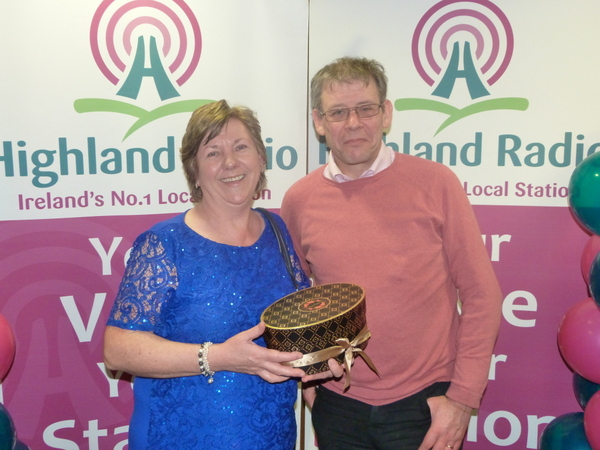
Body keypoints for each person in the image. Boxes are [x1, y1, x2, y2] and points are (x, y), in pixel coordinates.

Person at [280, 57, 503, 450]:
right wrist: (310, 383)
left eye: (365, 109)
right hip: (338, 404)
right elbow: (294, 302)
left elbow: (482, 296)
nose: (353, 123)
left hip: (425, 404)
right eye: (338, 112)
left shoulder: (436, 184)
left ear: (386, 113)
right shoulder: (299, 200)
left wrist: (462, 399)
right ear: (319, 122)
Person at [103, 100, 313, 449]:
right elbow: (117, 350)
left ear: (261, 159)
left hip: (273, 437)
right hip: (180, 439)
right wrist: (219, 357)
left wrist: (321, 359)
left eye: (241, 147)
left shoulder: (276, 229)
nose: (230, 162)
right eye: (213, 152)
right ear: (195, 173)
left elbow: (297, 324)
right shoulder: (165, 243)